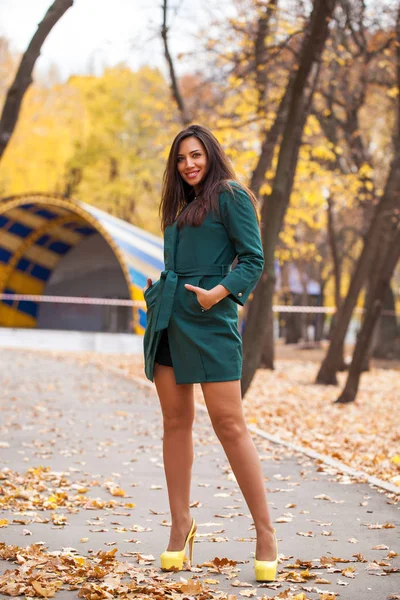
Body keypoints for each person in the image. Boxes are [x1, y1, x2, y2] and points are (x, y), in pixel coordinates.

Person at [142, 124, 278, 582]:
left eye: (195, 155)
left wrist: (217, 293)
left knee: (230, 424)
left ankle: (265, 532)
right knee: (175, 423)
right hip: (168, 321)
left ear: (210, 155)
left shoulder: (231, 195)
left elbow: (253, 259)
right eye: (181, 159)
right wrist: (159, 289)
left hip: (210, 319)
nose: (189, 165)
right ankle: (181, 525)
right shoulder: (180, 206)